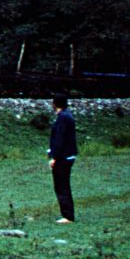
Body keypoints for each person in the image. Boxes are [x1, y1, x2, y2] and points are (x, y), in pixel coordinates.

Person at [48, 93, 78, 223]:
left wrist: (54, 157)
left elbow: (59, 139)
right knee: (63, 184)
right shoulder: (67, 115)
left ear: (54, 104)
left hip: (63, 157)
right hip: (67, 155)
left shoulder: (62, 118)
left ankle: (68, 216)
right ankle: (67, 214)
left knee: (61, 185)